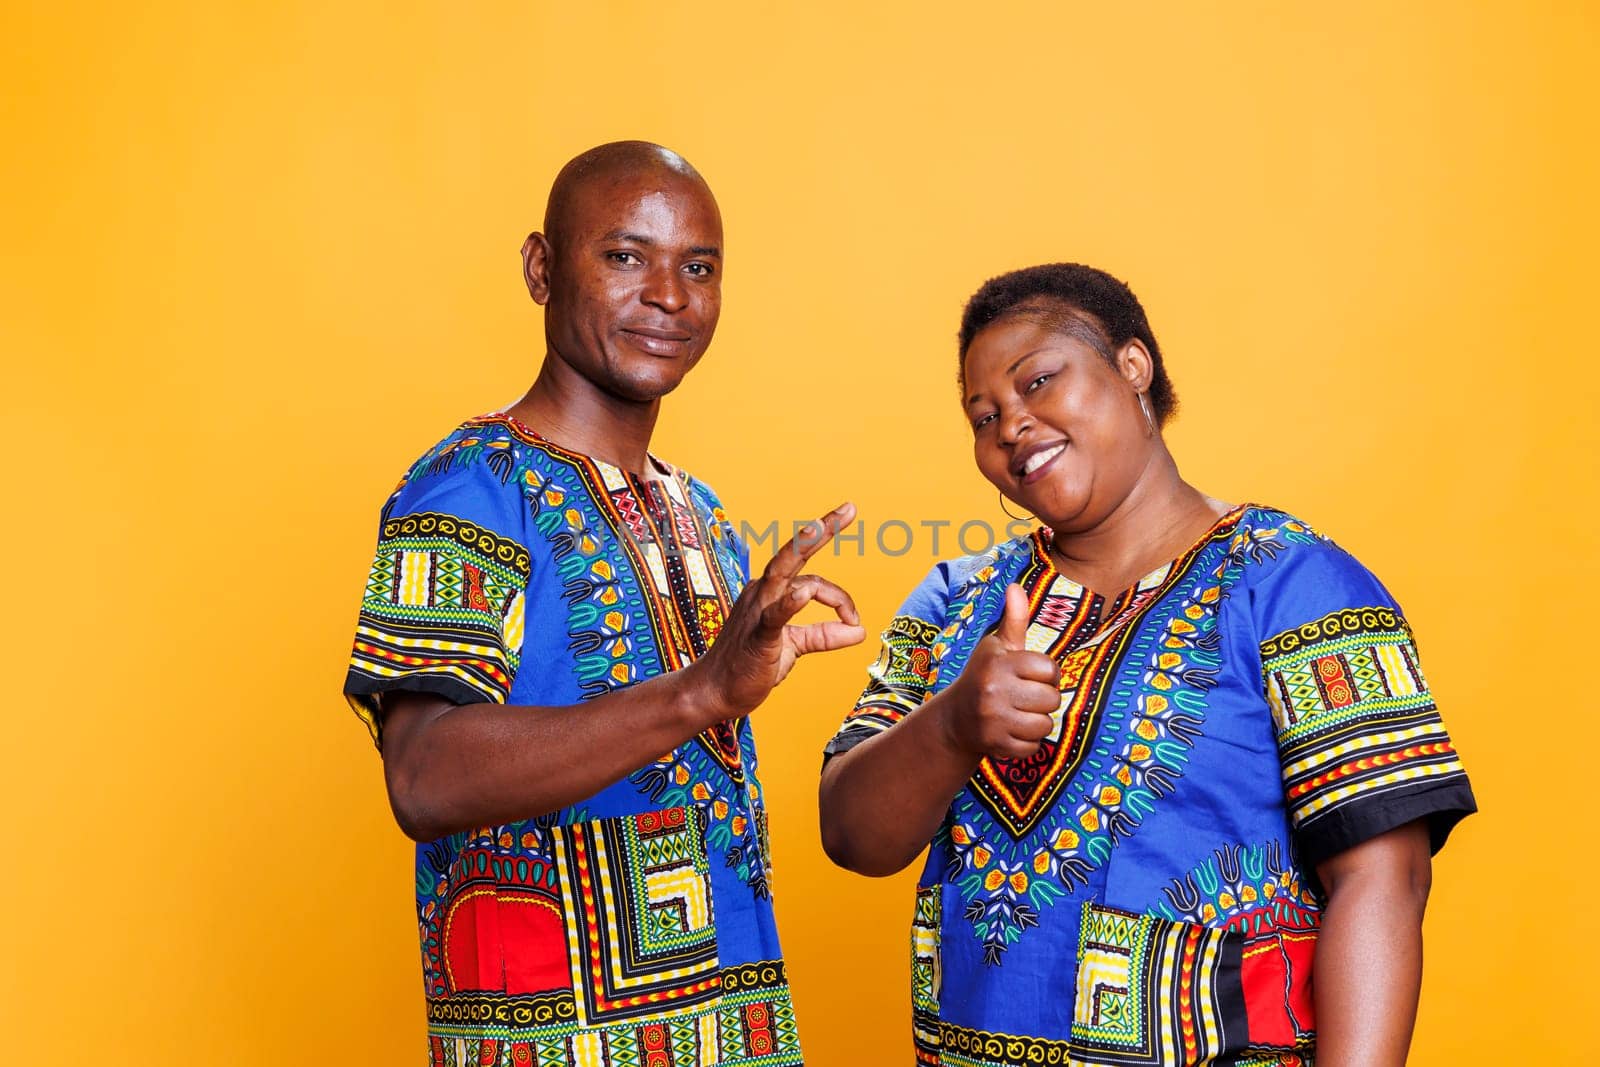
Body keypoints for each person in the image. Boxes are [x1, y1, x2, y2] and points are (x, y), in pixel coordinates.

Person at [818, 263, 1476, 1067]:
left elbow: (1385, 882)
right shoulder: (957, 598)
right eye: (983, 416)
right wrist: (952, 725)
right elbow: (852, 835)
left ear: (1134, 366)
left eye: (1038, 382)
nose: (1010, 427)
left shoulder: (1293, 582)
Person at [344, 141, 862, 1066]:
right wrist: (701, 691)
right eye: (625, 256)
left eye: (697, 267)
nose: (669, 295)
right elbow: (422, 776)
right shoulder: (470, 489)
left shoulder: (699, 511)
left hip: (733, 1034)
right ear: (542, 269)